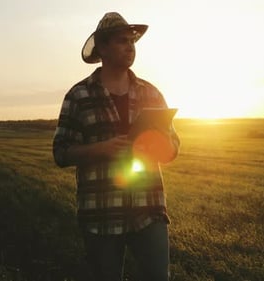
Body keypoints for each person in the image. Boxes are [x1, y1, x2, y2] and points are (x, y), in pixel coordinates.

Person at [53, 12, 180, 281]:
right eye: (122, 41)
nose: (130, 47)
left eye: (132, 41)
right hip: (101, 213)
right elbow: (61, 152)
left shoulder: (151, 93)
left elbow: (172, 149)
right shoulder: (79, 96)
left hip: (149, 209)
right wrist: (101, 149)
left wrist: (157, 145)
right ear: (102, 48)